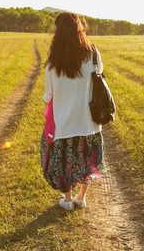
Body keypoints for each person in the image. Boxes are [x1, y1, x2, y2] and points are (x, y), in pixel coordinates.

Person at [41, 12, 107, 211]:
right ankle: (81, 197)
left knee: (64, 161)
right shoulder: (93, 52)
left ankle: (68, 200)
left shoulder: (54, 57)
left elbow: (49, 94)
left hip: (63, 121)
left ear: (57, 31)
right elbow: (100, 77)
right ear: (80, 27)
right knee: (88, 158)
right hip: (89, 121)